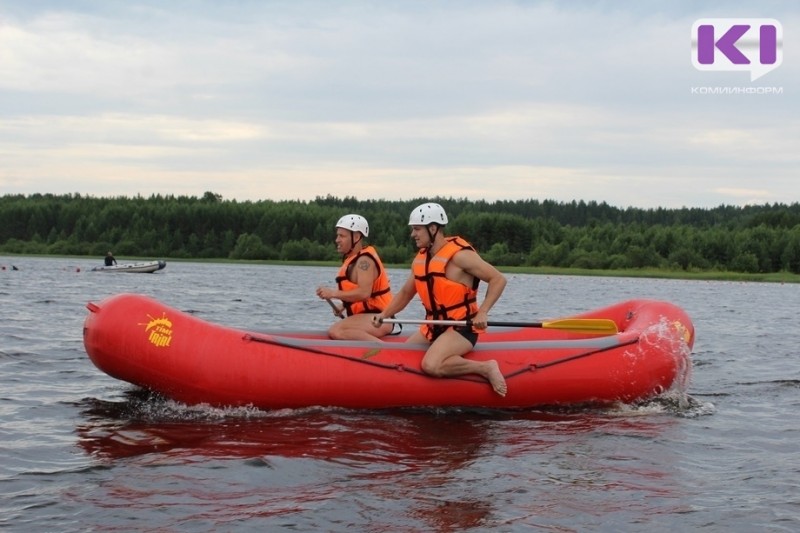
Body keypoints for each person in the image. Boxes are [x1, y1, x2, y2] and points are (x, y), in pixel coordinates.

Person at [372, 202, 508, 396]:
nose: (413, 234)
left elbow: (498, 279)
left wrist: (483, 311)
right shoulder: (421, 259)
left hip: (462, 328)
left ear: (433, 228)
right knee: (402, 355)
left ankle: (486, 367)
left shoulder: (460, 257)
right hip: (434, 326)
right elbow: (405, 293)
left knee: (431, 364)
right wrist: (384, 314)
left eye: (417, 229)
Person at [316, 214, 395, 341]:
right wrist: (345, 305)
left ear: (356, 237)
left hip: (379, 318)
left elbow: (364, 293)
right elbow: (361, 296)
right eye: (337, 235)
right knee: (337, 330)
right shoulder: (353, 260)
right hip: (369, 317)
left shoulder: (365, 261)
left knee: (337, 330)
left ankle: (386, 352)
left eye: (342, 236)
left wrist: (333, 293)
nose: (337, 240)